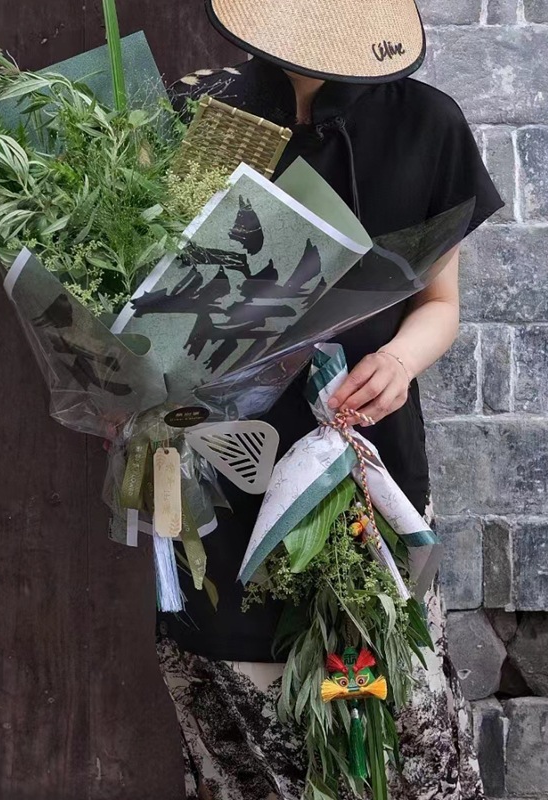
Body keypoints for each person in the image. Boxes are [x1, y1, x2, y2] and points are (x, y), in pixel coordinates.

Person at [155, 1, 505, 798]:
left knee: (407, 756)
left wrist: (399, 359)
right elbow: (159, 313)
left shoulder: (427, 123)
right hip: (223, 481)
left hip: (367, 476)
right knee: (246, 760)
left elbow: (440, 304)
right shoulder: (206, 116)